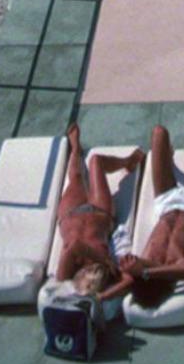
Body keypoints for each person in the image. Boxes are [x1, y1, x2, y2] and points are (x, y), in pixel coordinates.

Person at [51, 123, 146, 304]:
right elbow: (130, 281)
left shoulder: (64, 277)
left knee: (77, 176)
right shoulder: (111, 270)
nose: (93, 271)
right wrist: (103, 296)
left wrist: (103, 259)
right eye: (97, 276)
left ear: (80, 281)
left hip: (70, 213)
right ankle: (128, 162)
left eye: (89, 275)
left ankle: (76, 147)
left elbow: (75, 245)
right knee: (96, 161)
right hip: (100, 212)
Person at [119, 125, 184, 304]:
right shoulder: (183, 272)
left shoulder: (136, 267)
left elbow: (123, 280)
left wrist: (141, 271)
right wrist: (145, 272)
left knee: (158, 132)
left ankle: (169, 157)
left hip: (165, 204)